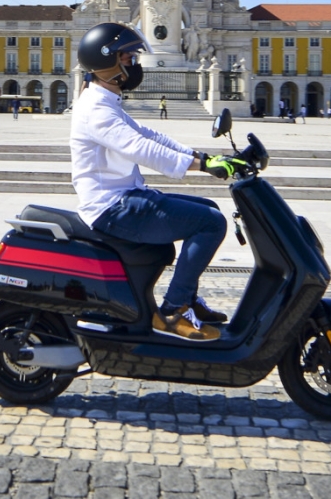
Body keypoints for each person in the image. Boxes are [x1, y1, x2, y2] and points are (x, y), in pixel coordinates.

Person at [71, 22, 243, 342]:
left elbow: (148, 135)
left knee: (207, 207)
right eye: (129, 59)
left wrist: (201, 155)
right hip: (112, 207)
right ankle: (174, 309)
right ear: (108, 62)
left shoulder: (105, 100)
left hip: (123, 198)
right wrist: (202, 167)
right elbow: (141, 148)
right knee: (210, 223)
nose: (134, 65)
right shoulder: (95, 109)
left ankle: (187, 298)